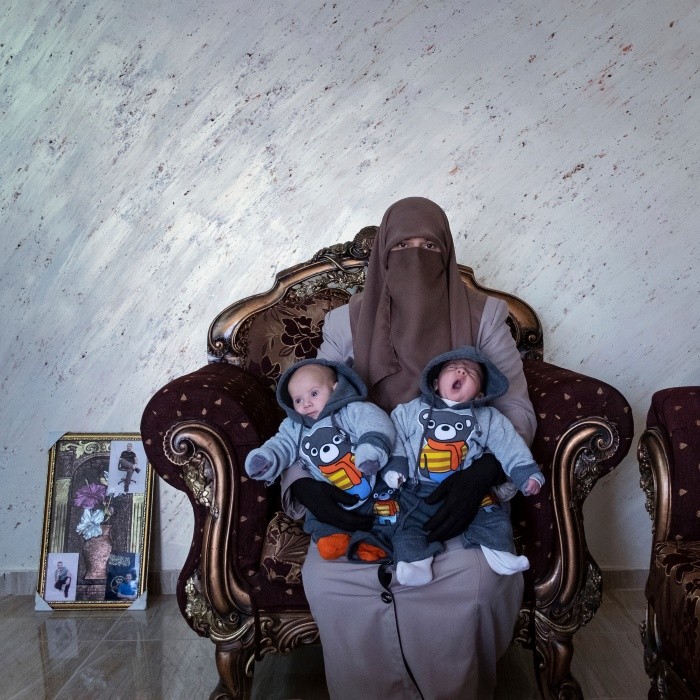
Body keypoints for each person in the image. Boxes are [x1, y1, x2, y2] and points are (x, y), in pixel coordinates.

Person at [280, 196, 538, 699]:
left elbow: (517, 408)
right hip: (363, 477)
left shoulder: (484, 316)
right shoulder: (345, 323)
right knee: (330, 579)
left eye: (430, 246)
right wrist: (305, 485)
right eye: (401, 247)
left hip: (451, 477)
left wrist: (482, 474)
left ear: (448, 253)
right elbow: (306, 410)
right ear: (381, 255)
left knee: (475, 579)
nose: (415, 257)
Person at [383, 346, 544, 586]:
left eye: (472, 373)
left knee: (494, 519)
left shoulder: (488, 418)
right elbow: (395, 436)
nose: (461, 371)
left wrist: (525, 473)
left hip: (470, 492)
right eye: (453, 368)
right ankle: (416, 564)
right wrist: (396, 467)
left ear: (479, 395)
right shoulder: (410, 411)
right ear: (435, 383)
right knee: (407, 528)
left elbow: (509, 445)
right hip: (418, 492)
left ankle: (500, 554)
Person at [245, 359, 396, 561]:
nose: (306, 404)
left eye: (314, 394)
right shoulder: (294, 427)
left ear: (335, 389)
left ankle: (374, 543)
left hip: (370, 481)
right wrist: (267, 458)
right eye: (298, 400)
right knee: (316, 519)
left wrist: (371, 447)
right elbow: (281, 444)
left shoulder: (350, 410)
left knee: (387, 507)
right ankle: (334, 539)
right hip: (330, 494)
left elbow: (374, 423)